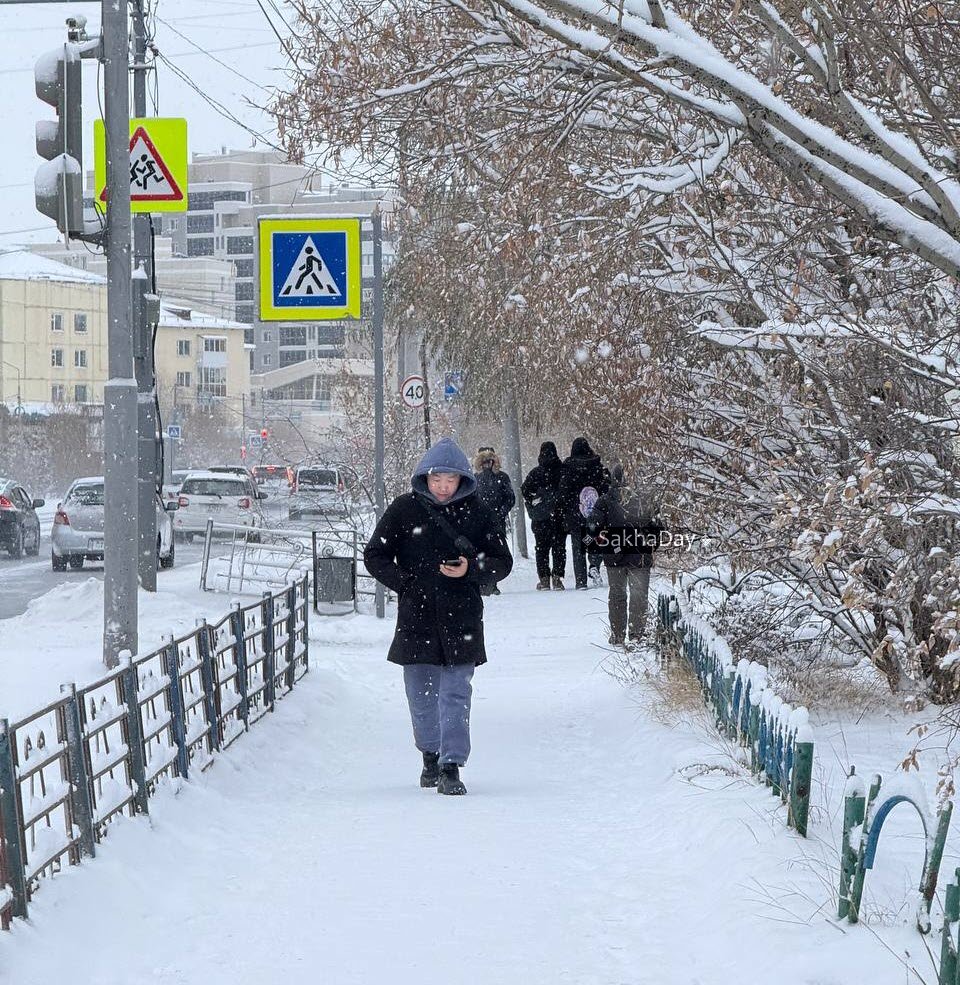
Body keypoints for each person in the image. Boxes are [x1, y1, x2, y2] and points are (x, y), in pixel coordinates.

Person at [363, 437, 513, 796]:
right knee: (421, 693)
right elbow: (375, 555)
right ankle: (430, 754)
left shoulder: (477, 511)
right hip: (417, 617)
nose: (443, 487)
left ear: (462, 478)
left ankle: (451, 764)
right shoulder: (404, 510)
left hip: (462, 617)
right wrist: (406, 583)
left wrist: (471, 569)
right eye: (436, 479)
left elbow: (502, 561)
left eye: (450, 480)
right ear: (425, 478)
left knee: (456, 692)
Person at [588, 464, 662, 647]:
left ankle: (618, 634)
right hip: (640, 554)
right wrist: (651, 543)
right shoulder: (646, 501)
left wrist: (604, 541)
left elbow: (593, 527)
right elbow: (657, 527)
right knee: (639, 596)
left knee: (617, 595)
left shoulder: (605, 501)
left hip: (615, 556)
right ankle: (637, 634)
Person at [558, 437, 608, 589]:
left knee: (578, 547)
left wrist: (567, 508)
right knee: (595, 541)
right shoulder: (597, 466)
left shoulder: (568, 468)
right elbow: (604, 488)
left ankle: (581, 581)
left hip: (575, 514)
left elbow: (563, 493)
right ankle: (594, 565)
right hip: (595, 514)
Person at [521, 440, 567, 590]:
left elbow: (525, 490)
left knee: (542, 548)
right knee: (559, 547)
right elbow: (567, 491)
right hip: (558, 516)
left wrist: (536, 499)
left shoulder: (536, 472)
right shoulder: (562, 470)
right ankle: (557, 578)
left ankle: (544, 578)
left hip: (541, 518)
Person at [473, 446, 516, 595]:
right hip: (479, 523)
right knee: (480, 551)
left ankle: (492, 582)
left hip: (497, 522)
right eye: (484, 461)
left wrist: (500, 513)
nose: (487, 464)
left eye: (489, 461)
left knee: (495, 552)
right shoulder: (475, 479)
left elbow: (510, 499)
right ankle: (483, 582)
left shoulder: (502, 477)